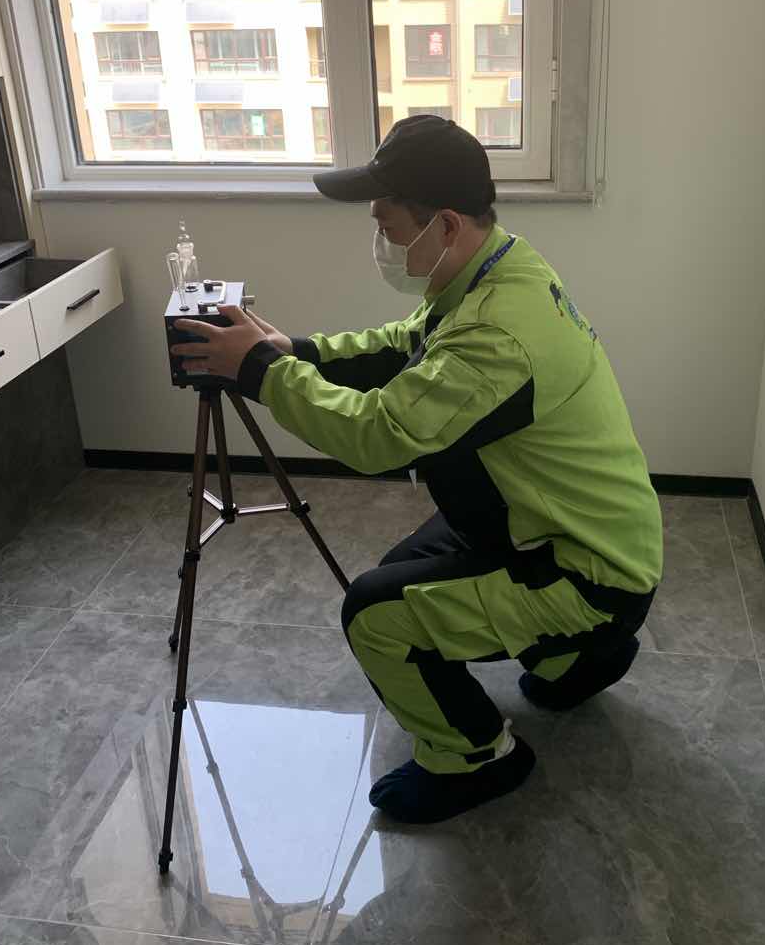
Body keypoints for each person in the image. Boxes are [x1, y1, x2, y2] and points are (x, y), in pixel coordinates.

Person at [171, 115, 663, 824]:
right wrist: (295, 351)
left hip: (586, 572)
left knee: (376, 616)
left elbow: (378, 436)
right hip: (584, 530)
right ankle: (578, 660)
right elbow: (406, 345)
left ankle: (478, 755)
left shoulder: (497, 333)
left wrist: (258, 372)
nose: (381, 239)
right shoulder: (501, 269)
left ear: (447, 225)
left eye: (387, 224)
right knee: (407, 568)